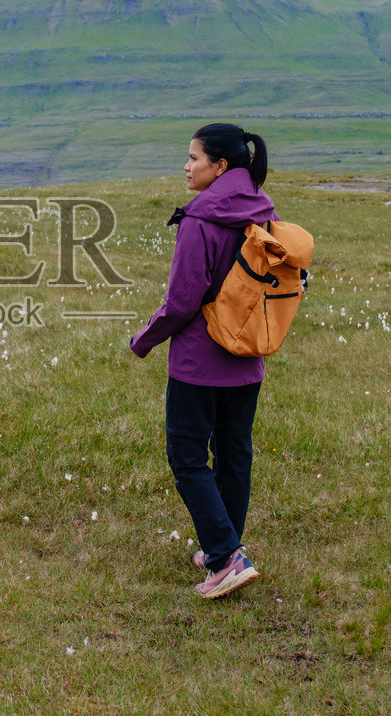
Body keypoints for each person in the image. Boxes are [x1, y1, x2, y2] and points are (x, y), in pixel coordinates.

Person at [129, 122, 274, 599]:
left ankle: (227, 557)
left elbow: (182, 302)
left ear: (220, 166)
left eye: (193, 158)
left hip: (198, 363)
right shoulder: (262, 213)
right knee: (234, 452)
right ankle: (224, 547)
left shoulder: (201, 220)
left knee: (188, 456)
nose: (186, 166)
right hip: (248, 359)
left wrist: (144, 339)